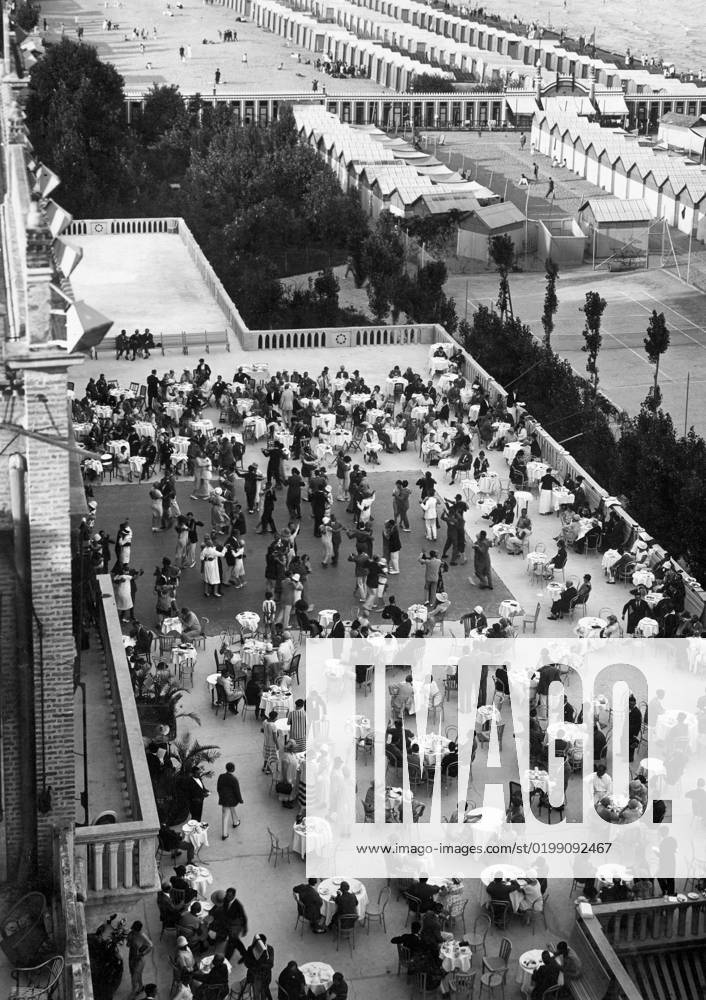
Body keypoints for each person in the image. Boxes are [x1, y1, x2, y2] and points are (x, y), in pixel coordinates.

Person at [126, 921, 153, 1000]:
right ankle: (140, 987)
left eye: (134, 929)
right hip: (131, 957)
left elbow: (150, 945)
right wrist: (129, 940)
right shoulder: (131, 934)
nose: (133, 930)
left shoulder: (142, 936)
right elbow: (128, 945)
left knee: (134, 977)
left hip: (139, 960)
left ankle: (133, 994)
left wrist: (143, 953)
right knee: (134, 974)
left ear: (138, 930)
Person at [217, 761, 243, 839]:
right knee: (226, 816)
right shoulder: (234, 779)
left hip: (224, 799)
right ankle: (224, 834)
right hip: (231, 800)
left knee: (230, 810)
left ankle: (236, 822)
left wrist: (221, 796)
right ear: (233, 769)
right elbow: (237, 791)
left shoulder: (221, 776)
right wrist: (240, 800)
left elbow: (218, 788)